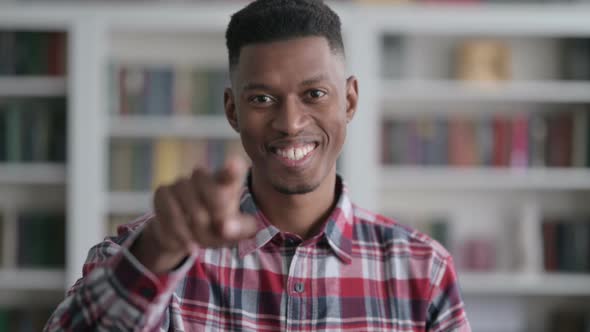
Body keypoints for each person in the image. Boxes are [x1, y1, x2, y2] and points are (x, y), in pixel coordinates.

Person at [45, 0, 471, 331]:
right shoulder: (143, 253)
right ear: (232, 109)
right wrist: (156, 253)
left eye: (314, 94)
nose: (290, 123)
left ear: (350, 101)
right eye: (262, 99)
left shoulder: (422, 269)